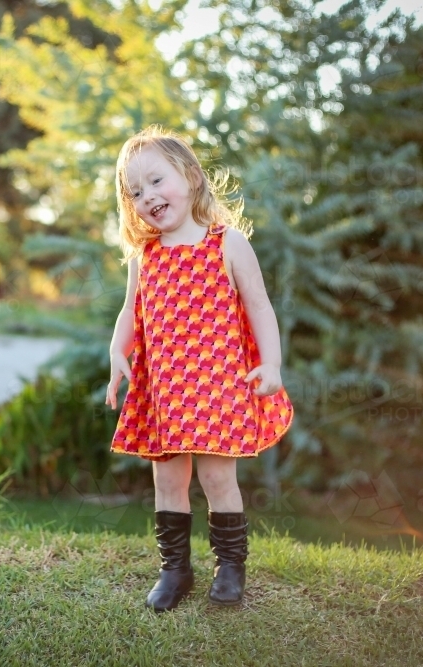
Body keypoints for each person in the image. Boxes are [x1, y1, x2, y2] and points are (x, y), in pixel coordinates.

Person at [105, 125, 294, 613]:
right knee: (167, 481)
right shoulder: (144, 258)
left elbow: (259, 305)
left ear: (189, 177)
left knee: (216, 480)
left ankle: (230, 568)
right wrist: (117, 355)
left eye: (155, 181)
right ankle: (175, 569)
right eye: (135, 191)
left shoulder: (227, 243)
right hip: (163, 387)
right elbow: (130, 313)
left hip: (216, 387)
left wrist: (271, 363)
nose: (147, 196)